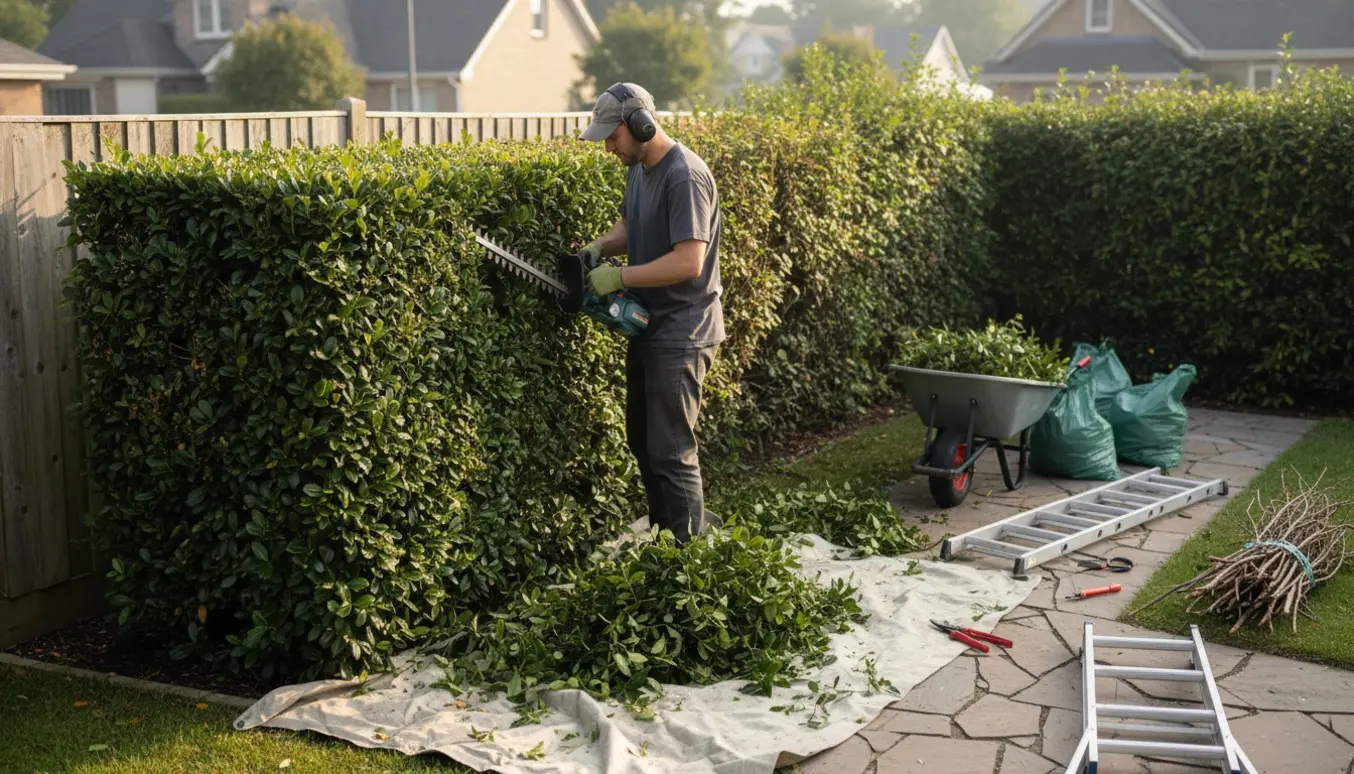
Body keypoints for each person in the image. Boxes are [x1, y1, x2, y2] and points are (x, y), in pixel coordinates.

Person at [577, 82, 724, 544]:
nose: (607, 146)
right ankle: (667, 543)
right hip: (650, 326)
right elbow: (630, 223)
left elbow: (688, 260)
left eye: (612, 135)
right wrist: (601, 247)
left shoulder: (684, 175)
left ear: (640, 125)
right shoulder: (640, 169)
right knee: (644, 442)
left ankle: (688, 561)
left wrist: (621, 278)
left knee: (672, 450)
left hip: (683, 330)